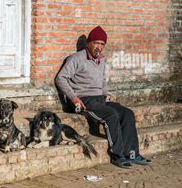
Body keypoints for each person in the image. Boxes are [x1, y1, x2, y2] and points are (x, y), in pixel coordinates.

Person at [55, 26, 151, 169]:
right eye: (96, 43)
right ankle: (117, 155)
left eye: (102, 44)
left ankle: (132, 153)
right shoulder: (76, 59)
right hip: (84, 100)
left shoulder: (101, 60)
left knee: (127, 113)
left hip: (100, 99)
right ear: (89, 43)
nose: (99, 47)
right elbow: (61, 78)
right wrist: (74, 98)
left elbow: (102, 80)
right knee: (111, 115)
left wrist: (106, 93)